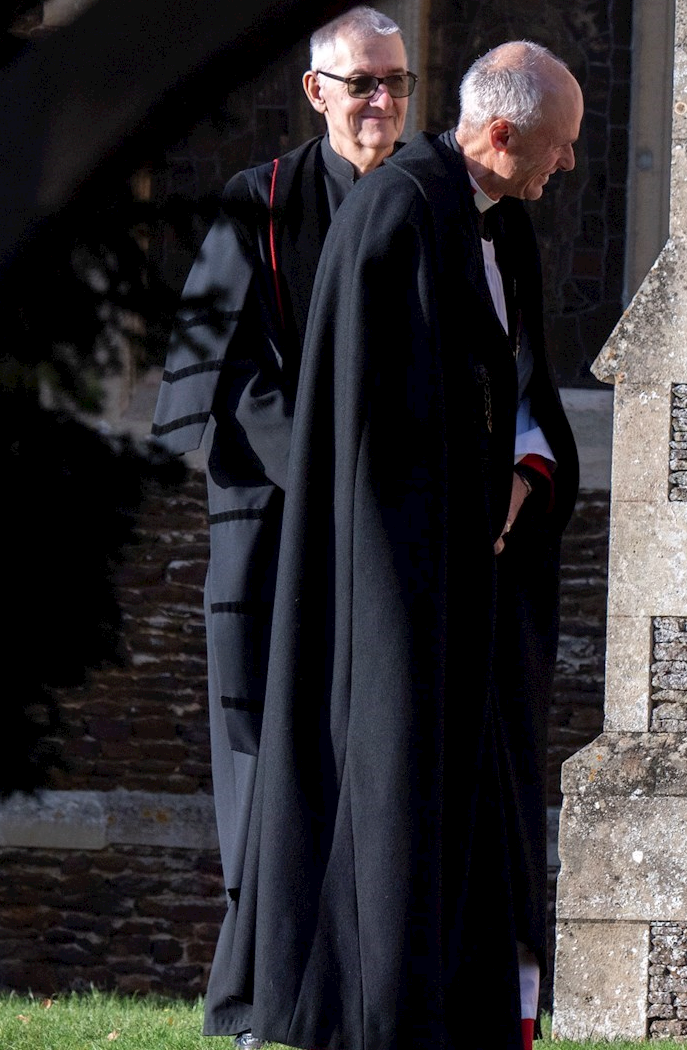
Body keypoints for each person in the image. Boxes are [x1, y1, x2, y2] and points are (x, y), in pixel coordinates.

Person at [201, 41, 581, 1050]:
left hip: (473, 600)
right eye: (558, 145)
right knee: (392, 820)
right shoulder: (399, 217)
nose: (569, 166)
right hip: (399, 596)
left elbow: (518, 390)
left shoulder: (499, 226)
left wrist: (527, 471)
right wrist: (463, 500)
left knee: (483, 827)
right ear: (500, 134)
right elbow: (375, 436)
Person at [146, 7, 415, 1040]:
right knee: (263, 763)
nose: (382, 102)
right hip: (270, 532)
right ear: (316, 92)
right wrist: (328, 473)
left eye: (397, 81)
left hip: (388, 540)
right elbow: (221, 379)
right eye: (361, 84)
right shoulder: (253, 206)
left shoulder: (431, 206)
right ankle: (258, 994)